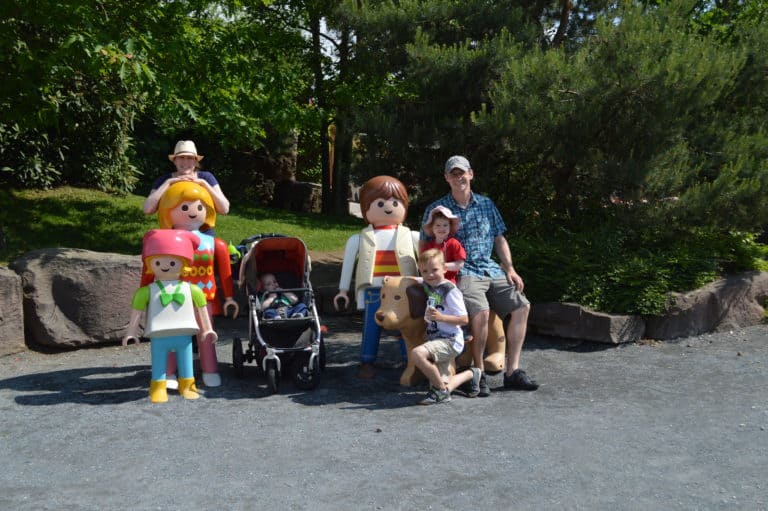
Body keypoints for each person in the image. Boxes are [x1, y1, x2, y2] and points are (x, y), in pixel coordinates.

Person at [421, 155, 539, 396]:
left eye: (462, 172)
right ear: (446, 178)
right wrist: (434, 273)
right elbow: (425, 245)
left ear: (471, 174)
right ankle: (478, 371)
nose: (459, 177)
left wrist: (510, 268)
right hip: (463, 271)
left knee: (522, 305)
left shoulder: (486, 204)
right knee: (481, 311)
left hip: (490, 268)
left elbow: (499, 238)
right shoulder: (438, 210)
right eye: (453, 174)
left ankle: (512, 371)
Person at [142, 181, 239, 388]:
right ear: (169, 209)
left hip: (204, 297)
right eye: (184, 207)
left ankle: (210, 369)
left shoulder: (214, 243)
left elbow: (225, 273)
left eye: (199, 206)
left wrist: (229, 297)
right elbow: (149, 268)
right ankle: (168, 373)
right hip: (171, 296)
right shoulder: (161, 240)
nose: (192, 212)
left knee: (207, 335)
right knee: (170, 334)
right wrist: (145, 294)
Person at [334, 175, 420, 379]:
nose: (388, 207)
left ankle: (410, 361)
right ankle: (366, 361)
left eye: (395, 202)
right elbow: (347, 265)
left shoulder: (412, 236)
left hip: (403, 292)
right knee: (371, 328)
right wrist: (343, 291)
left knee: (404, 328)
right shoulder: (358, 239)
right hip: (373, 291)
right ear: (366, 208)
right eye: (380, 203)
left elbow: (427, 261)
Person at [123, 229, 217, 403]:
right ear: (150, 264)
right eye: (158, 262)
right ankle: (158, 387)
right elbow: (136, 313)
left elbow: (202, 310)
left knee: (186, 360)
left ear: (185, 264)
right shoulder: (146, 291)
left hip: (185, 332)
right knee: (159, 361)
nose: (165, 266)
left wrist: (207, 329)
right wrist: (131, 332)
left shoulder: (193, 289)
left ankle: (188, 386)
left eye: (173, 263)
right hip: (159, 333)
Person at [410, 249, 481, 405]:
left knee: (417, 353)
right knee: (443, 382)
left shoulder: (450, 290)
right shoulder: (430, 284)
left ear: (444, 268)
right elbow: (418, 279)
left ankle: (440, 391)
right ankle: (471, 374)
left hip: (450, 340)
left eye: (434, 270)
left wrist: (441, 318)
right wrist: (395, 279)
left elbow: (464, 319)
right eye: (425, 271)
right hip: (437, 339)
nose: (429, 275)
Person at [142, 140, 230, 234]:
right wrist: (167, 183)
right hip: (173, 236)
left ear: (196, 161)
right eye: (181, 157)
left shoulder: (206, 177)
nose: (185, 161)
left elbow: (224, 209)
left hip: (203, 235)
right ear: (174, 161)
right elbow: (148, 209)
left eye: (190, 158)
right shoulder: (164, 180)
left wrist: (205, 184)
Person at [420, 205, 466, 284]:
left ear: (449, 227)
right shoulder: (427, 247)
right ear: (432, 228)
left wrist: (443, 266)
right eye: (438, 225)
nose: (441, 228)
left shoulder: (454, 243)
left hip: (448, 282)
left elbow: (460, 264)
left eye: (445, 225)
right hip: (430, 281)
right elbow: (422, 265)